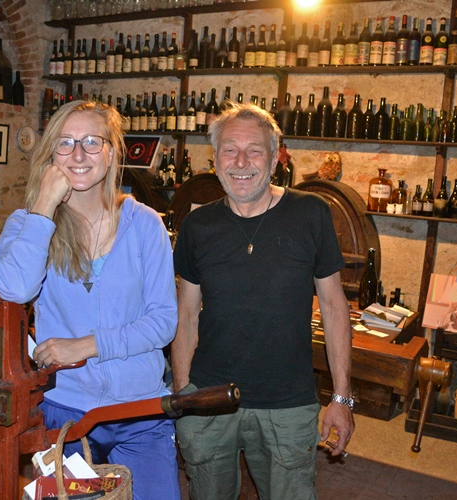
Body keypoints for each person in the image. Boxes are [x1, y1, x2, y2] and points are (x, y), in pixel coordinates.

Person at [0, 100, 179, 500]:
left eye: (92, 141)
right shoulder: (27, 224)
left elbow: (163, 322)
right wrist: (43, 206)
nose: (78, 154)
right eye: (65, 143)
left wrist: (86, 345)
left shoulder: (145, 224)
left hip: (139, 408)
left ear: (111, 153)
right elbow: (14, 289)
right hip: (65, 410)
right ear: (50, 155)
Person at [172, 102, 355, 499]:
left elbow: (334, 308)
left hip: (287, 403)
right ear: (215, 159)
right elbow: (186, 316)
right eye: (230, 150)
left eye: (254, 150)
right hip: (208, 398)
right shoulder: (198, 225)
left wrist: (341, 397)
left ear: (274, 160)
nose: (241, 162)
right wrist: (184, 393)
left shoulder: (311, 213)